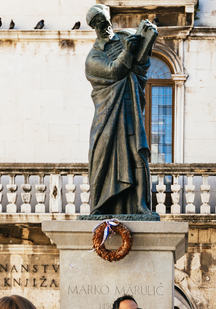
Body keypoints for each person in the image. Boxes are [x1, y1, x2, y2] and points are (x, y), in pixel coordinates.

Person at [85, 4, 157, 215]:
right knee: (104, 159)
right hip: (107, 117)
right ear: (93, 27)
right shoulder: (93, 58)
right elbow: (114, 72)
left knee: (138, 156)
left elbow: (141, 69)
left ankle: (141, 206)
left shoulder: (125, 37)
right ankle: (101, 206)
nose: (105, 26)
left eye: (106, 21)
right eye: (99, 23)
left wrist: (145, 47)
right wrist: (128, 51)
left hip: (130, 109)